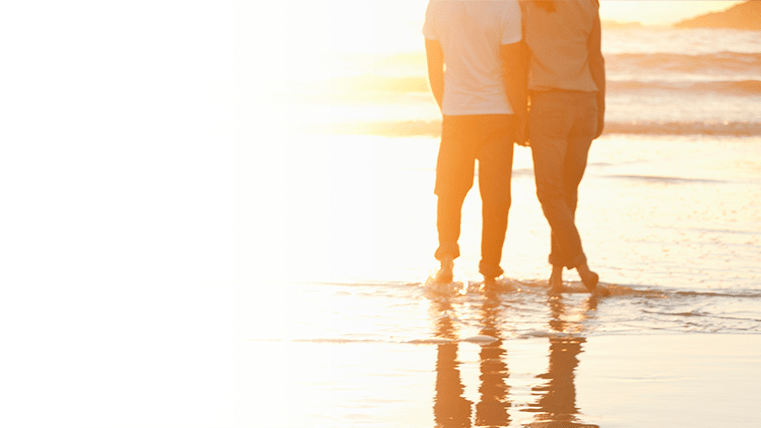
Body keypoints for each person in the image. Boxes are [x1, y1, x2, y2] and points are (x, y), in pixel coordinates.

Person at [423, 0, 527, 287]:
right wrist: (522, 116)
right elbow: (514, 66)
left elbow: (433, 67)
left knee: (450, 190)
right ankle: (490, 272)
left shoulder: (437, 5)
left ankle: (446, 259)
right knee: (495, 197)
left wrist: (447, 106)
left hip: (457, 115)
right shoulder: (507, 6)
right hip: (499, 114)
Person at [521, 0, 607, 295]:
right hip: (586, 104)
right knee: (566, 195)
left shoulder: (526, 5)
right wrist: (601, 109)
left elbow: (519, 63)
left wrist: (520, 114)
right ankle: (556, 277)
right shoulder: (588, 3)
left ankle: (582, 268)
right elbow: (596, 59)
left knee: (550, 194)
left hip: (549, 106)